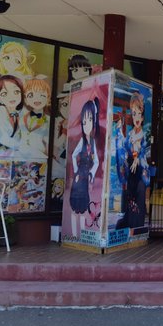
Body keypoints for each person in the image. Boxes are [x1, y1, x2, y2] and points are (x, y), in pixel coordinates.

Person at [115, 91, 150, 230]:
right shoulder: (129, 135)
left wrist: (138, 158)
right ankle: (129, 222)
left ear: (143, 116)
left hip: (140, 172)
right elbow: (123, 149)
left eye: (139, 114)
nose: (137, 117)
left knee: (139, 195)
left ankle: (137, 224)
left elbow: (144, 152)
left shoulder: (145, 134)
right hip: (131, 171)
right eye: (134, 113)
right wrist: (119, 132)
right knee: (131, 198)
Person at [69, 97, 100, 237]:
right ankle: (74, 235)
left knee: (83, 206)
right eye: (84, 121)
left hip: (86, 177)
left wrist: (91, 173)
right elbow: (73, 155)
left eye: (90, 120)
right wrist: (76, 170)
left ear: (94, 121)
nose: (87, 125)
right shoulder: (82, 141)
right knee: (75, 206)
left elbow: (97, 161)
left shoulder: (93, 142)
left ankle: (80, 235)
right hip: (79, 177)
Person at [20, 76, 52, 158]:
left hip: (39, 155)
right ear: (26, 100)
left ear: (48, 98)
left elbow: (48, 141)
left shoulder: (49, 120)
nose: (37, 99)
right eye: (31, 95)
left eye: (42, 95)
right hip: (21, 154)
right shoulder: (22, 117)